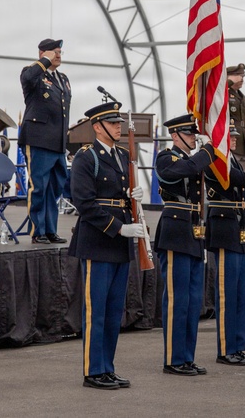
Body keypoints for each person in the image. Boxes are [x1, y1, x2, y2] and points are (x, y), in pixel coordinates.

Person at [68, 101, 146, 390]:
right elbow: (85, 203)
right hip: (99, 239)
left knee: (114, 312)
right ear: (98, 127)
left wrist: (131, 196)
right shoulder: (86, 158)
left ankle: (108, 367)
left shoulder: (123, 156)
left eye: (119, 123)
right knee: (96, 310)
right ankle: (93, 371)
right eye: (113, 123)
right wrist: (119, 227)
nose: (119, 127)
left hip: (119, 244)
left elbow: (117, 196)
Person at [153, 114, 217, 376]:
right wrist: (207, 150)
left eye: (194, 134)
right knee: (177, 299)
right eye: (189, 134)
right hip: (176, 230)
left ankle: (187, 356)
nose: (193, 138)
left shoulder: (193, 159)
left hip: (194, 229)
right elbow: (185, 170)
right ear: (175, 135)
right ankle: (173, 359)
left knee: (192, 301)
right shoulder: (167, 158)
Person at [204, 119, 245, 366]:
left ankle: (239, 345)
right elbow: (239, 180)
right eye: (227, 136)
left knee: (243, 294)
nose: (232, 139)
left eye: (233, 136)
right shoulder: (215, 160)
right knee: (227, 293)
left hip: (239, 226)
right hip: (224, 227)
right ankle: (225, 349)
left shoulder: (231, 158)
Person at [20, 38, 72, 244]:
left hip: (58, 142)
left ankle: (51, 229)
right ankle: (37, 231)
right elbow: (28, 78)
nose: (58, 55)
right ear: (42, 53)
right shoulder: (33, 72)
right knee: (39, 187)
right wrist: (44, 62)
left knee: (55, 188)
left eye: (59, 52)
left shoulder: (63, 78)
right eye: (53, 52)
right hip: (39, 140)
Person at [226, 64, 245, 166]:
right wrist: (228, 82)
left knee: (243, 174)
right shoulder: (224, 92)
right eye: (238, 76)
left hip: (240, 141)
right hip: (230, 140)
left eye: (243, 76)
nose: (241, 79)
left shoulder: (240, 95)